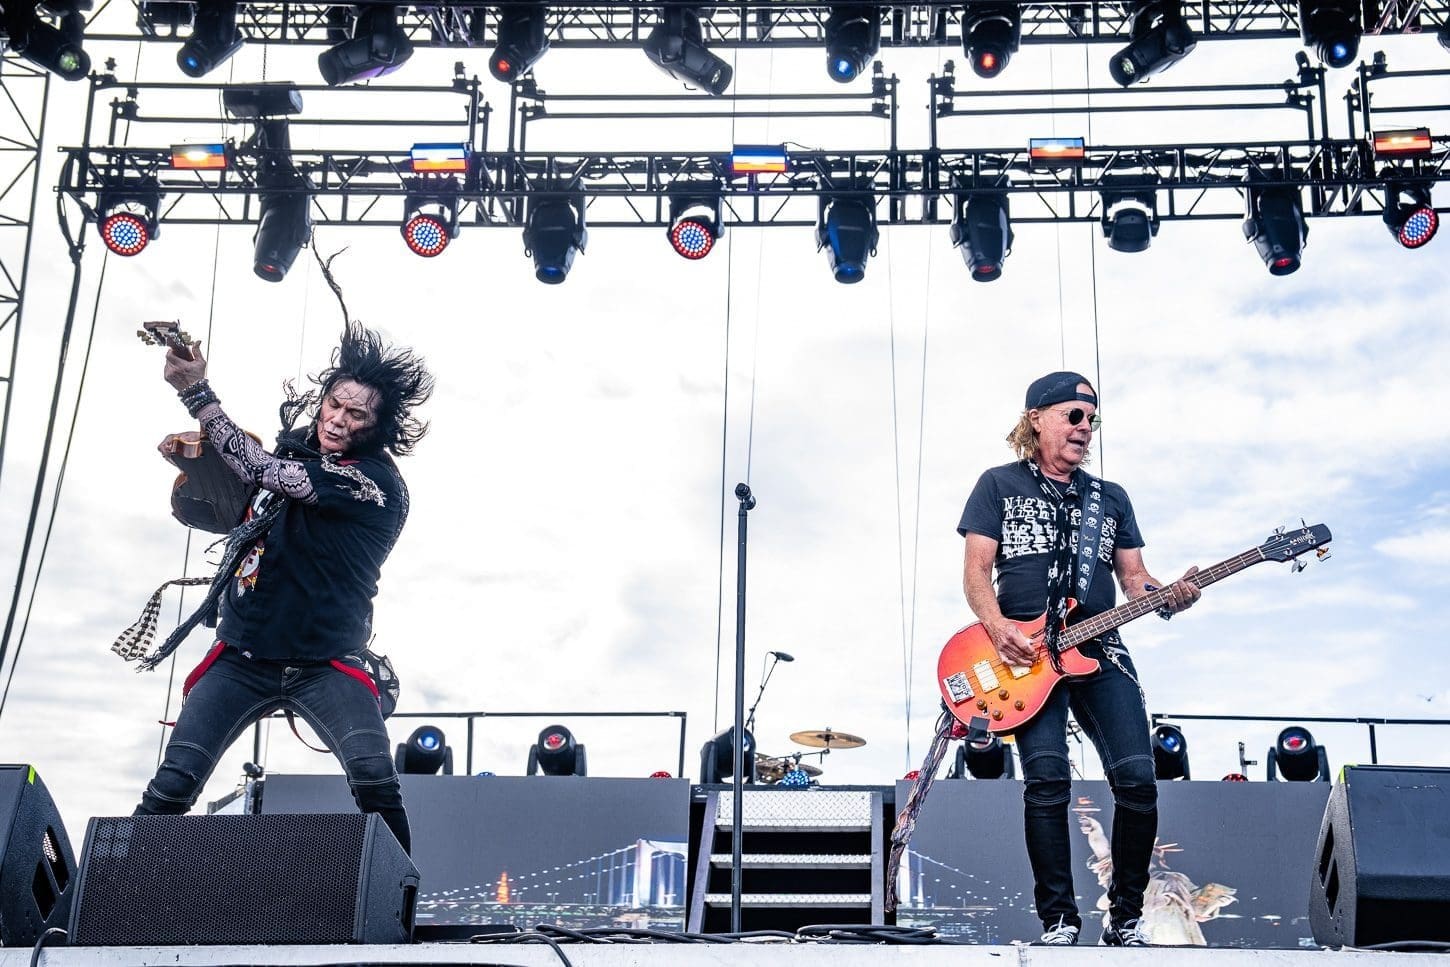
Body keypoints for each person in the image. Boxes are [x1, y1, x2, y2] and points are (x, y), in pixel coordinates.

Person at [134, 322, 433, 853]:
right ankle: (104, 896)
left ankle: (399, 917)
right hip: (241, 656)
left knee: (374, 781)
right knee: (173, 782)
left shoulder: (374, 484)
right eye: (334, 405)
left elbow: (262, 469)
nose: (338, 420)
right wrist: (196, 472)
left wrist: (195, 391)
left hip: (325, 663)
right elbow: (244, 488)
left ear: (377, 425)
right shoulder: (297, 451)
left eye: (356, 414)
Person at [957, 371, 1200, 947]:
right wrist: (998, 628)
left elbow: (1135, 579)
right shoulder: (997, 484)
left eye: (1091, 420)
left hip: (1098, 647)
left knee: (1139, 781)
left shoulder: (1109, 498)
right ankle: (1060, 922)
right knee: (1046, 781)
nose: (1085, 429)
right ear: (1036, 418)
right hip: (1024, 658)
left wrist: (1171, 597)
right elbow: (975, 574)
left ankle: (1127, 919)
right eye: (1073, 416)